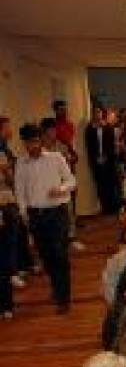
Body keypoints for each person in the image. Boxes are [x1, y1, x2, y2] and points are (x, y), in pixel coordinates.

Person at [14, 123, 75, 313]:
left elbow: (71, 180)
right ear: (24, 143)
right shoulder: (21, 163)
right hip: (35, 215)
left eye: (35, 141)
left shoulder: (56, 158)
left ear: (40, 140)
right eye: (28, 142)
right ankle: (57, 288)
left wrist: (61, 189)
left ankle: (64, 298)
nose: (33, 146)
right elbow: (20, 191)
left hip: (56, 213)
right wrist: (24, 213)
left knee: (60, 255)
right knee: (47, 257)